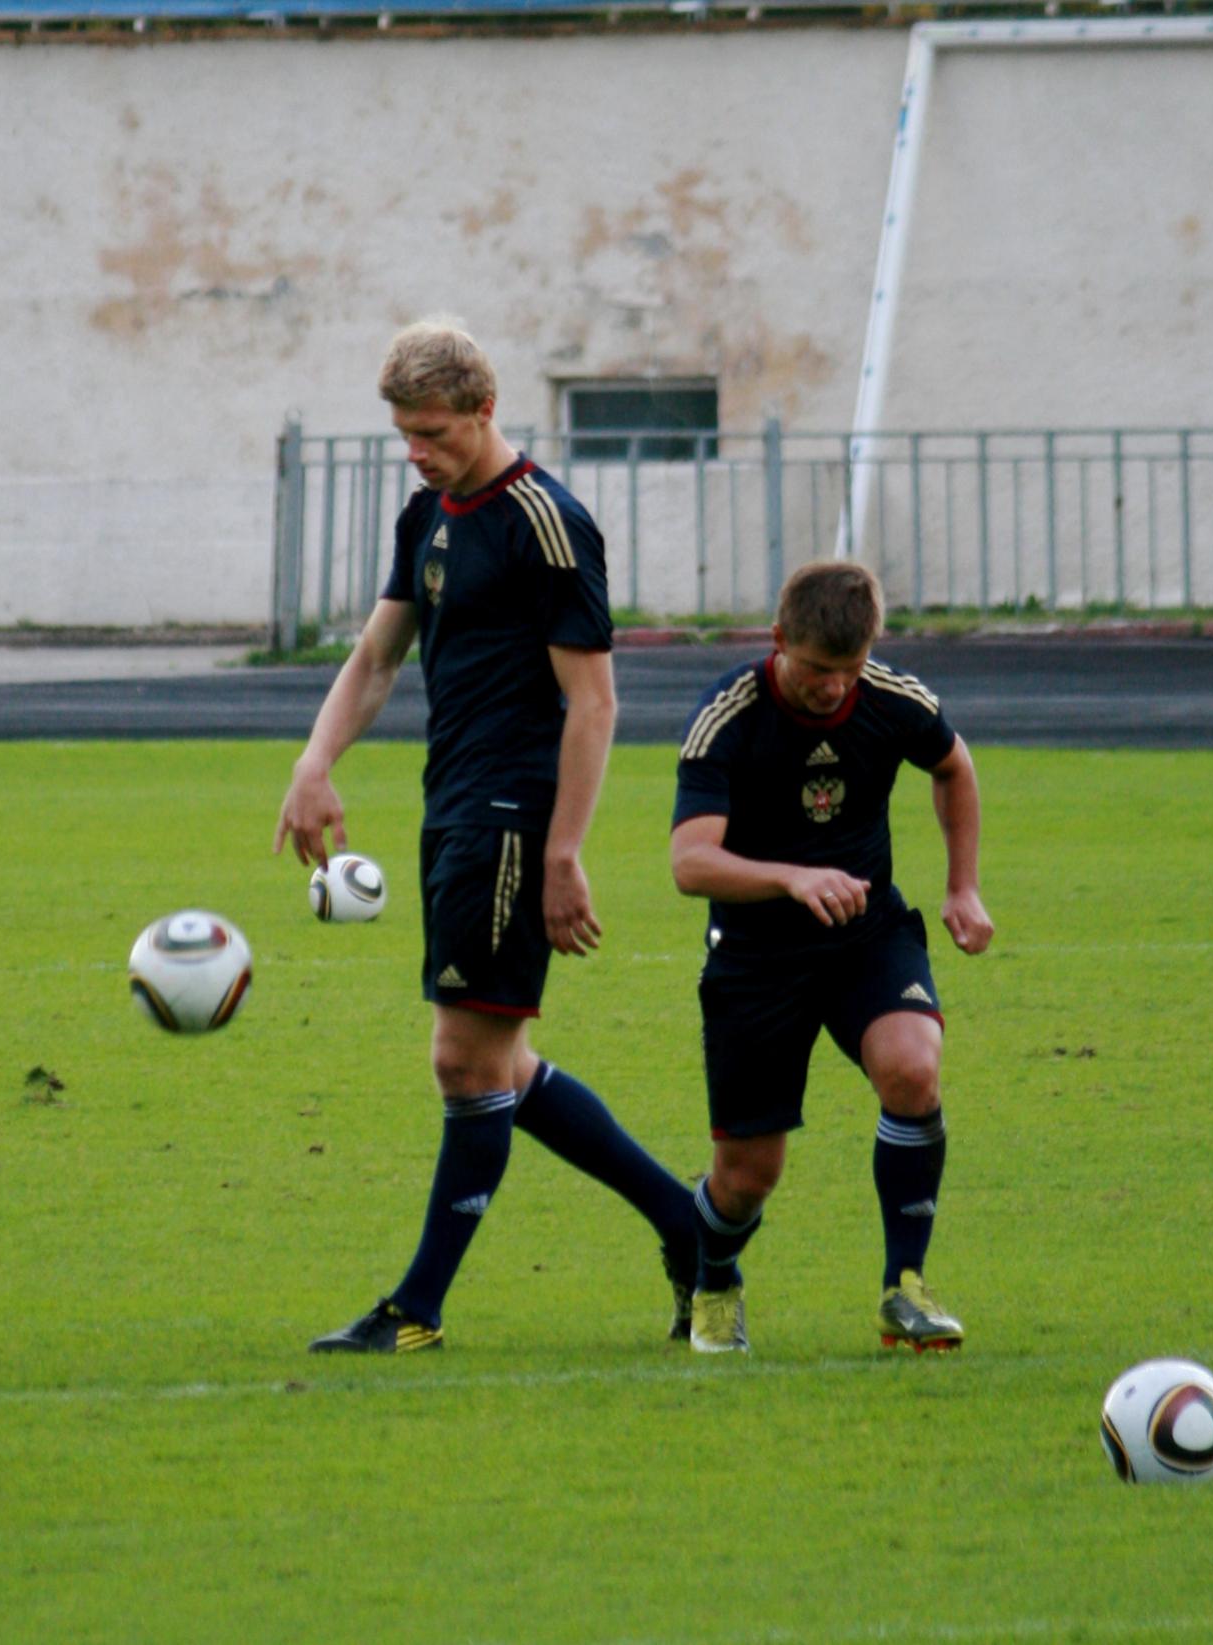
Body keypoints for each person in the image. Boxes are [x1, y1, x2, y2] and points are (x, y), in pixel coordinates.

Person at [275, 319, 697, 1354]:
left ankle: (417, 1308)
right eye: (404, 434)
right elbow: (378, 656)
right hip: (452, 805)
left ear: (484, 411)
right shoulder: (428, 512)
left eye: (433, 432)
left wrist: (562, 853)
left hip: (509, 817)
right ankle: (690, 1228)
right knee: (501, 1062)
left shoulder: (547, 524)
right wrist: (314, 763)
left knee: (466, 1062)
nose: (417, 452)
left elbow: (594, 702)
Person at [668, 561, 993, 1356]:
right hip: (756, 956)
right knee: (747, 1177)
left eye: (848, 668)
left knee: (914, 1069)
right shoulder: (727, 716)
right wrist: (791, 876)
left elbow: (953, 765)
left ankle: (905, 1287)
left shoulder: (892, 698)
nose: (832, 687)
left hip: (865, 936)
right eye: (816, 668)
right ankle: (713, 1275)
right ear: (779, 639)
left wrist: (962, 887)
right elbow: (689, 862)